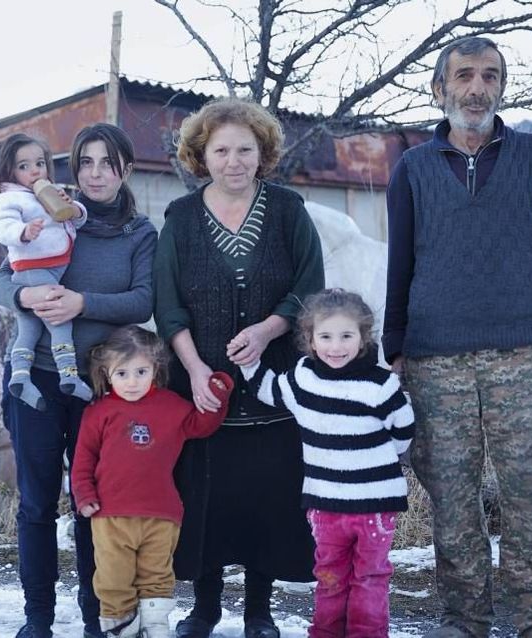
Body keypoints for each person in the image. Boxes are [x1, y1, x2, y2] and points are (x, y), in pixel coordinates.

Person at [384, 37, 532, 638]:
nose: (478, 87)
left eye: (490, 76)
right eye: (465, 75)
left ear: (502, 85)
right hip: (433, 356)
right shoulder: (413, 169)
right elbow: (401, 264)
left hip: (523, 351)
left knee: (530, 491)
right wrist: (394, 345)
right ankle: (464, 619)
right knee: (450, 499)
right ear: (439, 88)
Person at [154, 97, 325, 638]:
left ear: (262, 153)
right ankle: (204, 610)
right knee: (207, 499)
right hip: (202, 390)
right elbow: (168, 304)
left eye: (244, 149)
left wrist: (268, 329)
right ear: (201, 156)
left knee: (266, 497)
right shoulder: (180, 219)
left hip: (275, 387)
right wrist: (195, 370)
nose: (233, 160)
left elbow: (310, 286)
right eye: (221, 150)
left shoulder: (288, 210)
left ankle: (259, 611)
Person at [0, 123, 158, 638]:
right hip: (39, 382)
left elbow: (144, 301)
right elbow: (2, 280)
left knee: (94, 506)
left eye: (108, 163)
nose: (96, 173)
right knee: (37, 503)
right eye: (86, 162)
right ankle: (37, 618)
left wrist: (84, 303)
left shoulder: (140, 233)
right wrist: (24, 299)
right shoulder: (49, 213)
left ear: (125, 169)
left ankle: (95, 619)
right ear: (75, 168)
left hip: (101, 391)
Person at [238, 288, 415, 638]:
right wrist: (248, 361)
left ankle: (367, 633)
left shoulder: (380, 385)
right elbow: (269, 389)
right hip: (325, 505)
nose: (336, 346)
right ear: (310, 340)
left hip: (374, 506)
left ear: (363, 338)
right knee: (330, 576)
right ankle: (326, 633)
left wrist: (376, 461)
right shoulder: (304, 378)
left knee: (369, 577)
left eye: (346, 336)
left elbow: (403, 431)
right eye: (326, 337)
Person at [72, 326, 234, 638]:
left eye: (141, 371)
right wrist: (83, 494)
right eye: (122, 374)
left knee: (157, 575)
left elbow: (201, 425)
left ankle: (156, 627)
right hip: (110, 514)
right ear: (106, 373)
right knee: (112, 577)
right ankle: (121, 627)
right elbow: (83, 460)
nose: (132, 381)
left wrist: (218, 392)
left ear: (156, 369)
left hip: (161, 513)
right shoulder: (98, 412)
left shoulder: (171, 405)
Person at [0, 133, 93, 410]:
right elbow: (1, 226)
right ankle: (69, 376)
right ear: (9, 172)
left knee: (29, 329)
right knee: (59, 319)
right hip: (34, 270)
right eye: (24, 166)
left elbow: (69, 221)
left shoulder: (45, 193)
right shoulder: (10, 199)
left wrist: (74, 209)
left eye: (40, 163)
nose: (35, 171)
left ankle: (20, 379)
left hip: (50, 268)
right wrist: (23, 232)